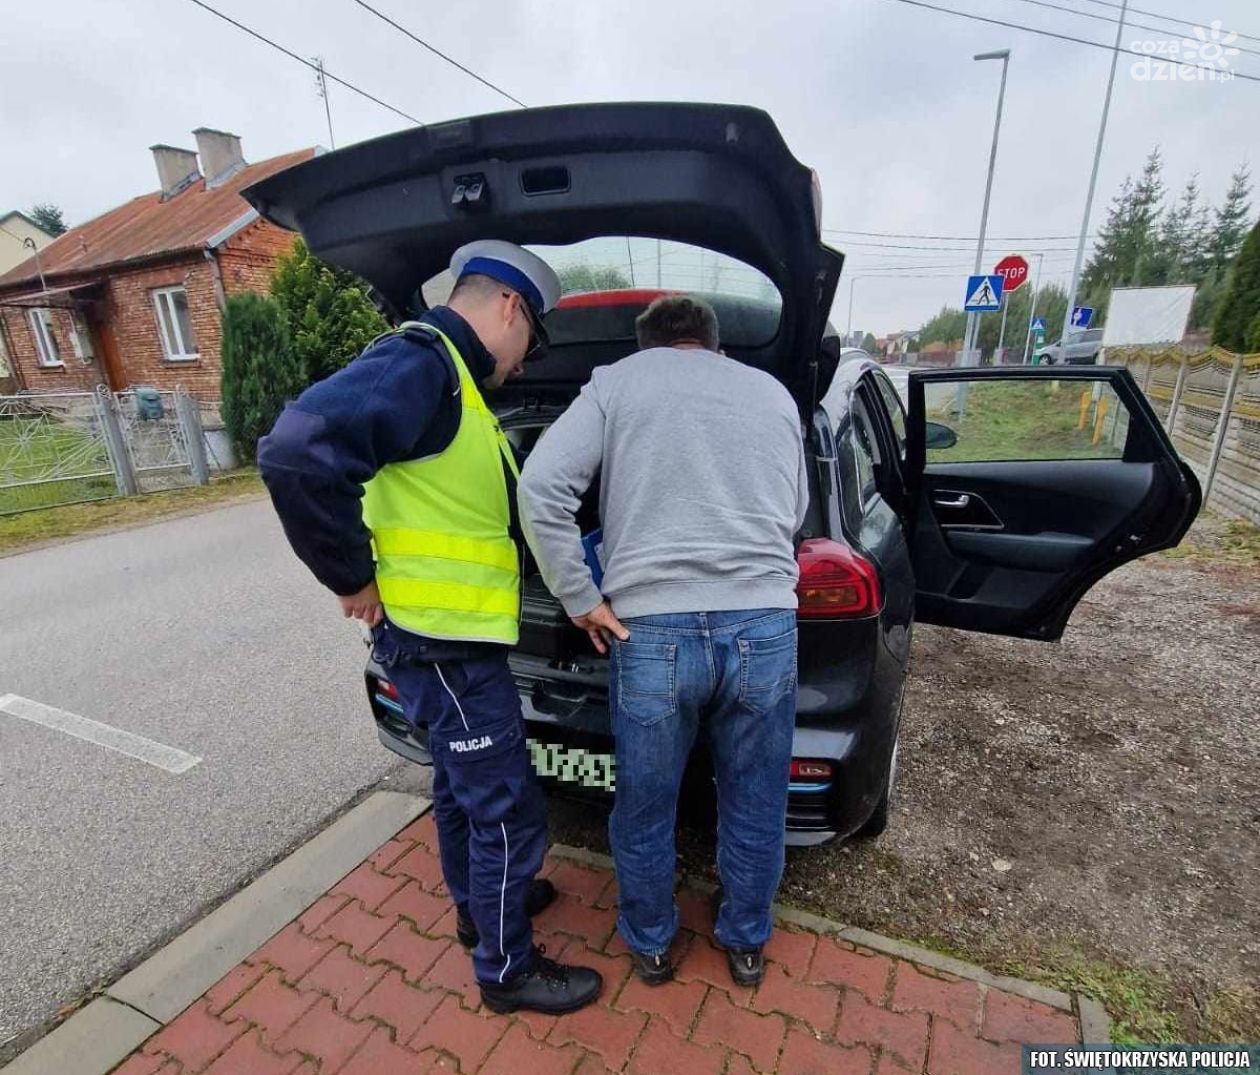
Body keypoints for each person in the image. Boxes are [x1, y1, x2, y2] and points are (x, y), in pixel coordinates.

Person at [257, 240, 602, 1015]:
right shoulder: (426, 364)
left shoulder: (454, 386)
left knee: (458, 787)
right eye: (532, 341)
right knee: (506, 807)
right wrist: (350, 576)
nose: (524, 363)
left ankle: (479, 913)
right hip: (439, 644)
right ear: (509, 307)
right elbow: (296, 453)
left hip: (445, 643)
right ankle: (507, 971)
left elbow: (491, 518)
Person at [518, 294, 808, 988]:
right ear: (715, 344)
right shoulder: (772, 393)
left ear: (646, 344)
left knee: (646, 802)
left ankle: (649, 943)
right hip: (762, 626)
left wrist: (580, 598)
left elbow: (541, 488)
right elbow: (793, 511)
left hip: (651, 633)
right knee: (756, 796)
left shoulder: (618, 382)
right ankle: (744, 941)